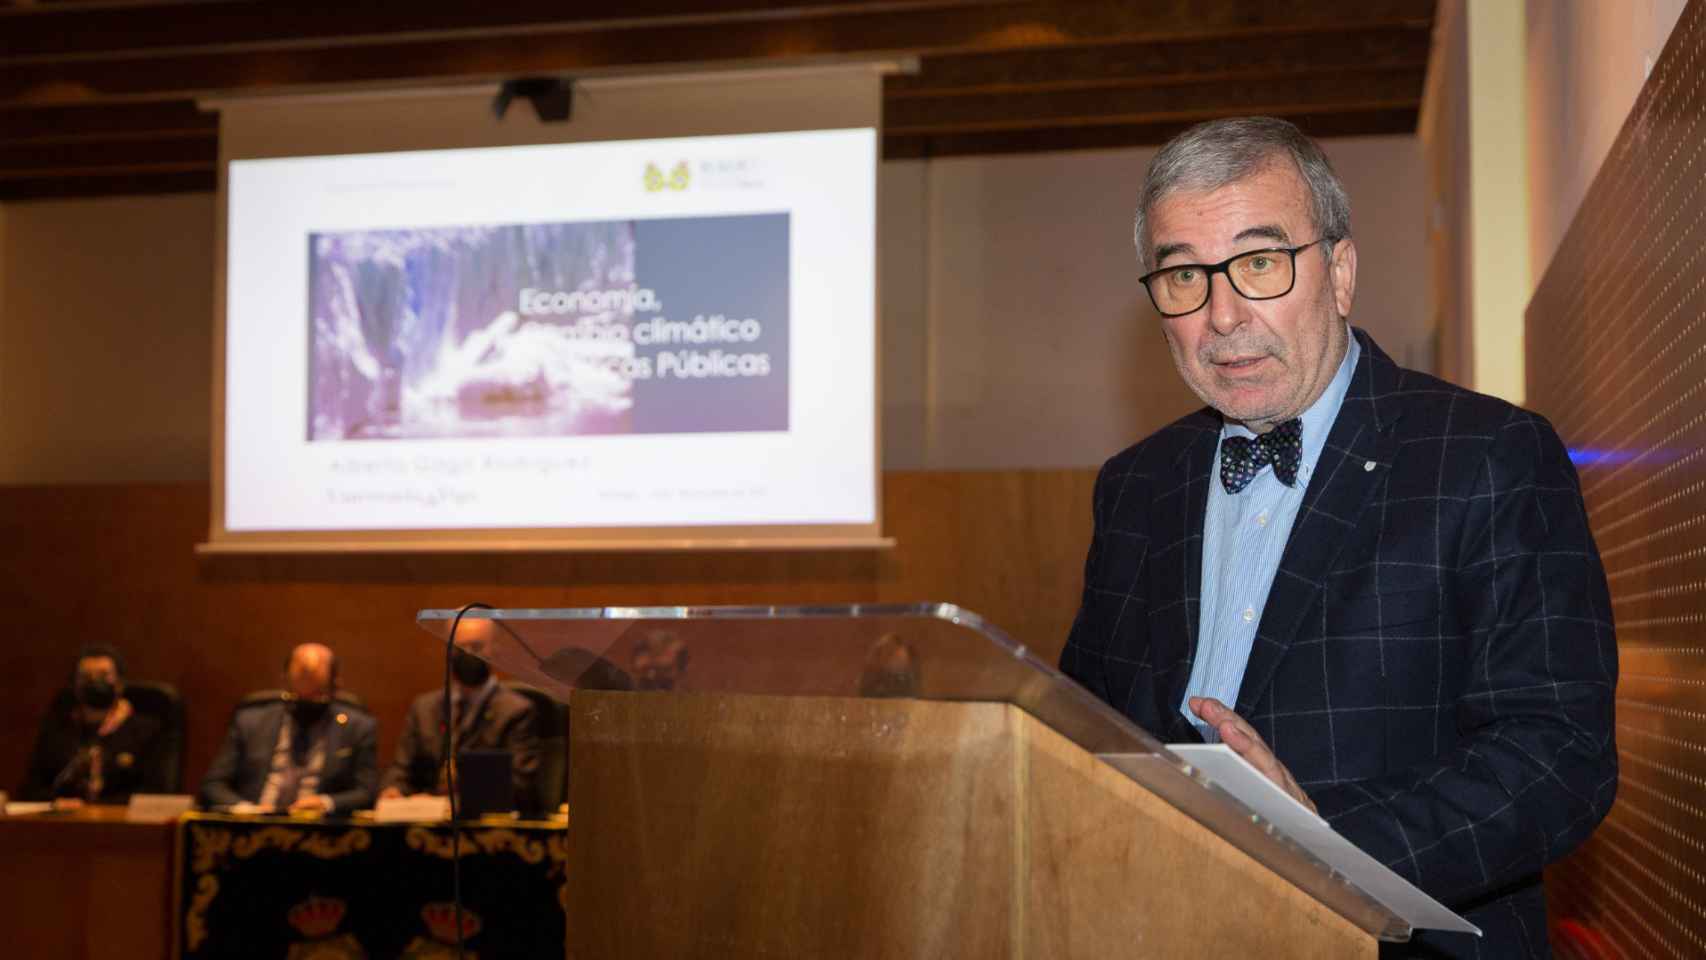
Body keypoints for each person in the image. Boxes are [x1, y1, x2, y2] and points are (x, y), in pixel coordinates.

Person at [1058, 117, 1616, 958]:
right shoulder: (1135, 484)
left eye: (1259, 263)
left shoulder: (1487, 454)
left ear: (1341, 272)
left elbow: (1558, 757)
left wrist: (1327, 844)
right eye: (1183, 277)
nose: (1222, 315)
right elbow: (1086, 726)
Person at [198, 642, 378, 814]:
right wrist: (247, 810)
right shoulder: (249, 722)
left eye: (317, 696)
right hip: (255, 824)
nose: (306, 704)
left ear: (335, 687)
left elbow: (367, 792)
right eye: (296, 697)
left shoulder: (357, 728)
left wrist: (325, 803)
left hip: (319, 832)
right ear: (285, 682)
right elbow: (213, 784)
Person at [378, 646, 542, 812]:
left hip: (485, 818)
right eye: (461, 646)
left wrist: (450, 803)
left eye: (477, 646)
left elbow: (519, 784)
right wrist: (393, 789)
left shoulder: (516, 710)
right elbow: (402, 766)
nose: (469, 652)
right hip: (425, 816)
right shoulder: (424, 708)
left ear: (492, 652)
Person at [18, 644, 168, 804]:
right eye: (86, 677)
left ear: (120, 683)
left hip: (121, 823)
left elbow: (156, 795)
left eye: (104, 676)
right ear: (75, 685)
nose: (95, 682)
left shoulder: (146, 732)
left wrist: (97, 806)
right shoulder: (57, 732)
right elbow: (30, 791)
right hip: (66, 822)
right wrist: (56, 801)